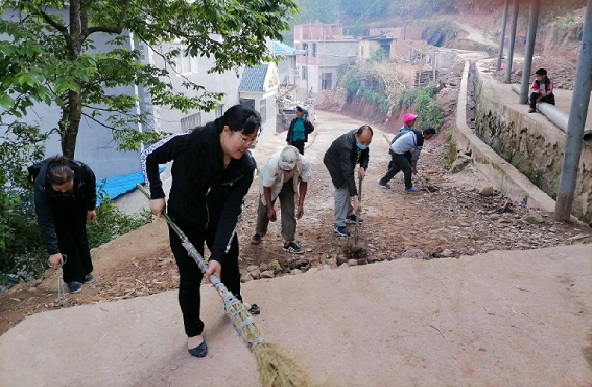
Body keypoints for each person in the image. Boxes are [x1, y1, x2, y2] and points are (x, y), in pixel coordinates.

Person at [141, 104, 261, 358]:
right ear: (227, 130)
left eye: (253, 140)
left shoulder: (245, 167)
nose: (248, 145)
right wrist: (156, 193)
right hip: (184, 221)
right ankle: (193, 331)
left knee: (228, 265)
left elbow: (232, 212)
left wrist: (216, 254)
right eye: (244, 138)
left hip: (218, 222)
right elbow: (149, 155)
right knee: (190, 276)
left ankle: (234, 305)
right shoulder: (189, 143)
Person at [33, 156, 97, 294]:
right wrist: (53, 251)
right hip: (56, 211)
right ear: (51, 183)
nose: (63, 191)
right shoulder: (41, 186)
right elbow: (45, 220)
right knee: (65, 239)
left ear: (73, 177)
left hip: (77, 204)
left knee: (80, 235)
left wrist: (91, 207)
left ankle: (85, 272)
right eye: (59, 189)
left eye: (67, 187)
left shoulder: (84, 171)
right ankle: (72, 278)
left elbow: (91, 188)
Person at [251, 145, 312, 254]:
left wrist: (301, 204)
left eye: (289, 169)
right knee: (263, 210)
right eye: (284, 168)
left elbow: (304, 182)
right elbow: (267, 187)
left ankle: (289, 241)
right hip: (271, 183)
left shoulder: (304, 163)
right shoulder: (272, 164)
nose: (287, 171)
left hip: (288, 183)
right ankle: (259, 233)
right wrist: (270, 208)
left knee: (289, 211)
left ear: (296, 162)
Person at [323, 125, 373, 237]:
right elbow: (347, 172)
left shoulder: (363, 139)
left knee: (347, 186)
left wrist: (362, 167)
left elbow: (365, 154)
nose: (365, 145)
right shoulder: (346, 145)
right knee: (342, 188)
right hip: (334, 163)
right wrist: (355, 198)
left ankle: (348, 214)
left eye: (368, 142)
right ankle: (339, 224)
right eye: (363, 142)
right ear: (356, 136)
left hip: (346, 164)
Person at [379, 128, 436, 192]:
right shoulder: (420, 140)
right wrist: (414, 169)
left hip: (394, 149)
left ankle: (383, 182)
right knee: (408, 169)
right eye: (430, 136)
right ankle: (408, 187)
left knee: (397, 168)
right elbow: (415, 158)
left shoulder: (416, 131)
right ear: (425, 134)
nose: (430, 138)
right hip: (397, 151)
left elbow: (401, 134)